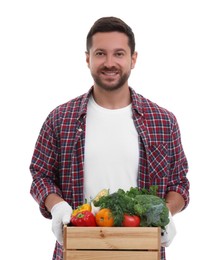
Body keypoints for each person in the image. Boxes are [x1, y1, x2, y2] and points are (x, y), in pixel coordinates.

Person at [30, 16, 190, 260]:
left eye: (119, 54)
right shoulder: (61, 118)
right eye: (101, 53)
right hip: (78, 250)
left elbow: (179, 183)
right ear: (88, 59)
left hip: (142, 251)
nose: (109, 63)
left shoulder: (163, 121)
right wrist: (57, 207)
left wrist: (165, 213)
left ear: (133, 59)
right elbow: (41, 175)